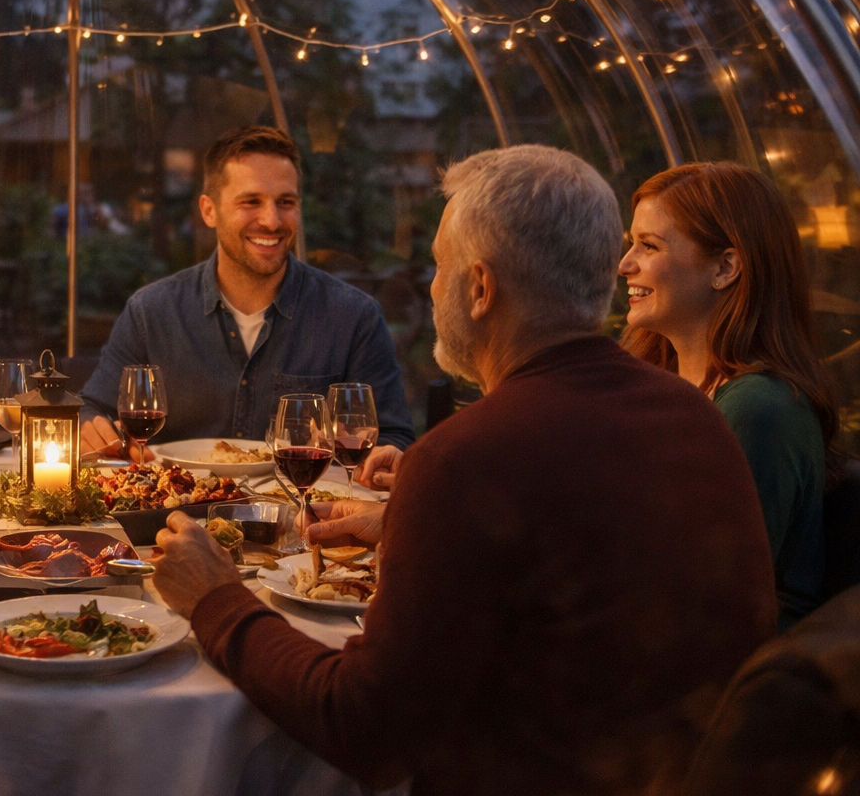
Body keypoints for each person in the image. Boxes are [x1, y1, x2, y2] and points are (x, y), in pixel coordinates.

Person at [151, 144, 776, 796]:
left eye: (439, 266)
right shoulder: (692, 414)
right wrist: (406, 522)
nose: (429, 285)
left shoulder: (465, 460)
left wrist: (217, 600)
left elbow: (363, 729)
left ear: (479, 288)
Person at [79, 125, 414, 460]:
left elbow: (393, 436)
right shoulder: (150, 313)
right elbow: (92, 410)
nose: (271, 221)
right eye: (251, 201)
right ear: (209, 211)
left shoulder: (353, 317)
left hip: (305, 508)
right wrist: (93, 431)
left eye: (286, 202)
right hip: (174, 507)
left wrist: (389, 457)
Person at [619, 161, 838, 628]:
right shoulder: (663, 384)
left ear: (725, 267)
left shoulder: (757, 409)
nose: (625, 265)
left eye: (649, 245)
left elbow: (708, 603)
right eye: (630, 244)